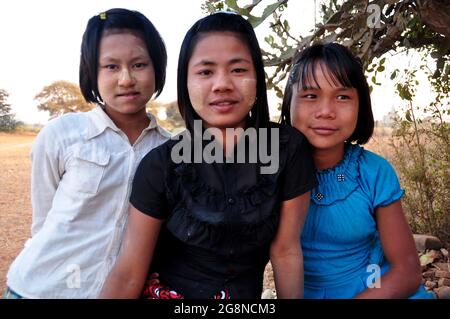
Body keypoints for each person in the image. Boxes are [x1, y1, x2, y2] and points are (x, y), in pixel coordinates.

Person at [99, 12, 317, 299]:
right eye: (205, 72)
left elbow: (286, 250)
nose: (222, 84)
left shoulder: (288, 149)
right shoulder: (160, 166)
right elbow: (128, 273)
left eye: (238, 70)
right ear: (186, 82)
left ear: (257, 76)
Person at [4, 8, 170, 299]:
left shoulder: (169, 151)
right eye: (110, 67)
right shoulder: (61, 135)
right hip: (37, 290)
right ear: (91, 73)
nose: (126, 79)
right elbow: (44, 223)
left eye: (139, 64)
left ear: (158, 67)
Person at [280, 43, 434, 299]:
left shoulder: (373, 173)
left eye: (342, 97)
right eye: (310, 96)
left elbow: (406, 271)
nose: (326, 111)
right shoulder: (269, 172)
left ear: (360, 105)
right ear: (289, 103)